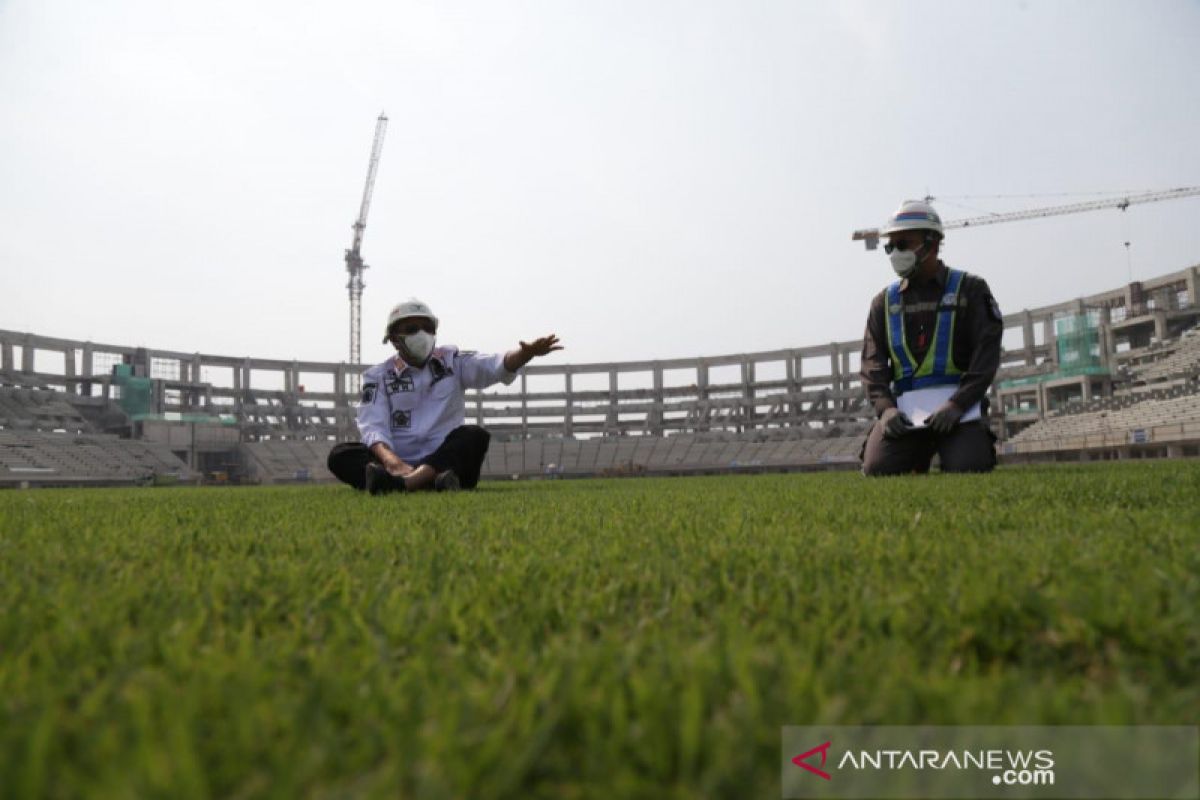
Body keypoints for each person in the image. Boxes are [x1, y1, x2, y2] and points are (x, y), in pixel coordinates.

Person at [327, 298, 562, 494]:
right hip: (396, 461)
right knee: (340, 455)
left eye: (428, 328)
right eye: (411, 329)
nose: (422, 334)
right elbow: (373, 427)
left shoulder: (451, 361)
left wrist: (524, 354)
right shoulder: (378, 376)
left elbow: (493, 365)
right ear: (394, 339)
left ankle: (405, 485)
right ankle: (426, 483)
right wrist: (393, 463)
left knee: (475, 436)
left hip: (446, 459)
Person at [859, 200, 1003, 476]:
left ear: (932, 242)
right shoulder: (883, 303)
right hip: (904, 415)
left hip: (958, 412)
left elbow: (986, 357)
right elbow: (872, 365)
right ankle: (916, 452)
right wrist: (885, 409)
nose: (896, 253)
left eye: (904, 244)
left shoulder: (970, 290)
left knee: (968, 467)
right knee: (878, 469)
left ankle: (969, 443)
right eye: (891, 246)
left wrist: (957, 405)